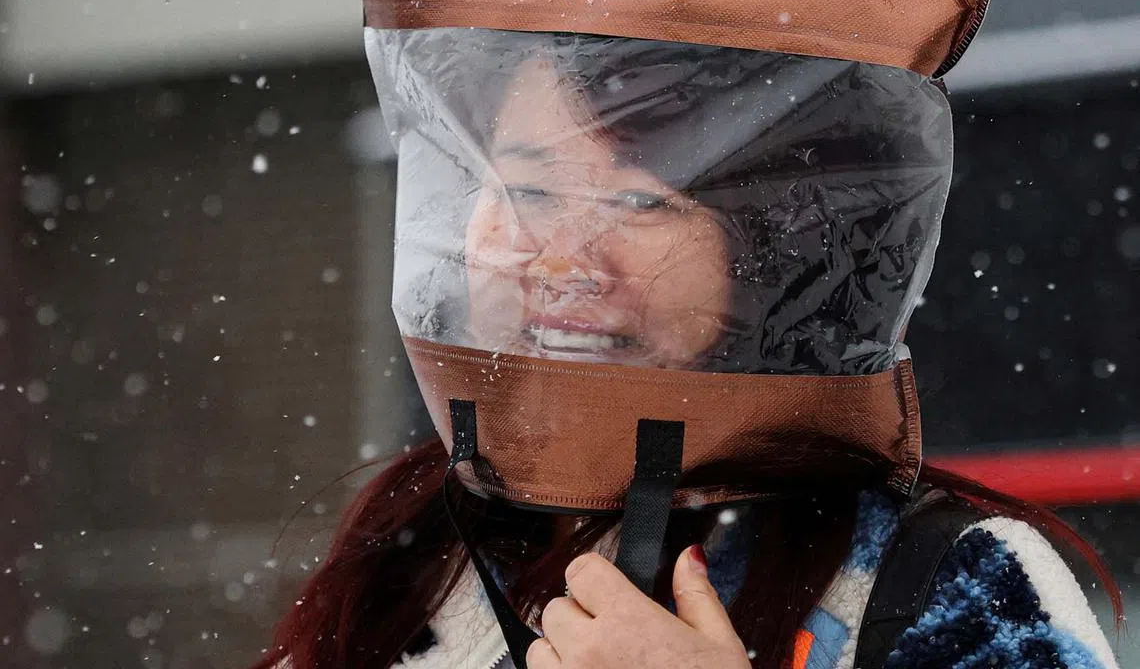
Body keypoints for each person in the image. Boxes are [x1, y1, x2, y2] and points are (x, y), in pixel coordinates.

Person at [252, 49, 1122, 669]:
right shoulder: (419, 545)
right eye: (528, 190)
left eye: (639, 200)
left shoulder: (941, 577)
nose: (560, 261)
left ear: (770, 254)